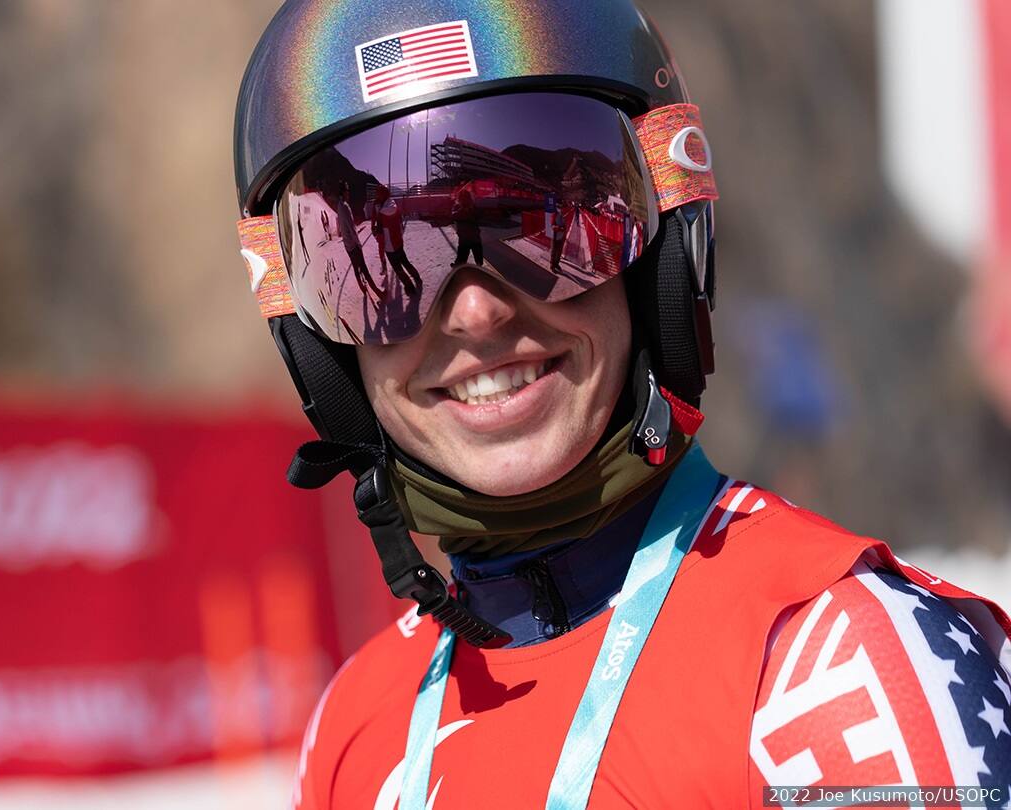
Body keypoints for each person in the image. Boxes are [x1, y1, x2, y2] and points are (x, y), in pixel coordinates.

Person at [232, 1, 1011, 807]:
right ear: (320, 347)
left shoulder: (836, 667)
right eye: (383, 266)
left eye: (539, 228)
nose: (475, 313)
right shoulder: (356, 731)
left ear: (659, 258)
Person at [332, 182, 383, 302]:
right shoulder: (345, 206)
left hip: (347, 244)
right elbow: (351, 227)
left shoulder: (339, 205)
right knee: (363, 268)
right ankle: (378, 292)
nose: (348, 193)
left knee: (356, 267)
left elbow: (342, 224)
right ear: (343, 192)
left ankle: (362, 288)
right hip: (353, 244)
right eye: (347, 191)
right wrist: (358, 243)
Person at [374, 185, 424, 297]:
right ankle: (417, 278)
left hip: (389, 247)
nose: (377, 197)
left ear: (382, 195)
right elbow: (400, 225)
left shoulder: (381, 214)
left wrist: (381, 250)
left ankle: (410, 288)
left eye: (378, 194)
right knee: (405, 262)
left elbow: (380, 235)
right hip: (398, 242)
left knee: (398, 269)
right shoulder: (394, 206)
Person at [451, 186, 484, 268]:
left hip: (464, 238)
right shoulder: (474, 208)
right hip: (475, 237)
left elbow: (453, 217)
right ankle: (479, 270)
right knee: (478, 259)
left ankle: (458, 267)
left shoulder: (458, 208)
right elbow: (479, 217)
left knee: (462, 258)